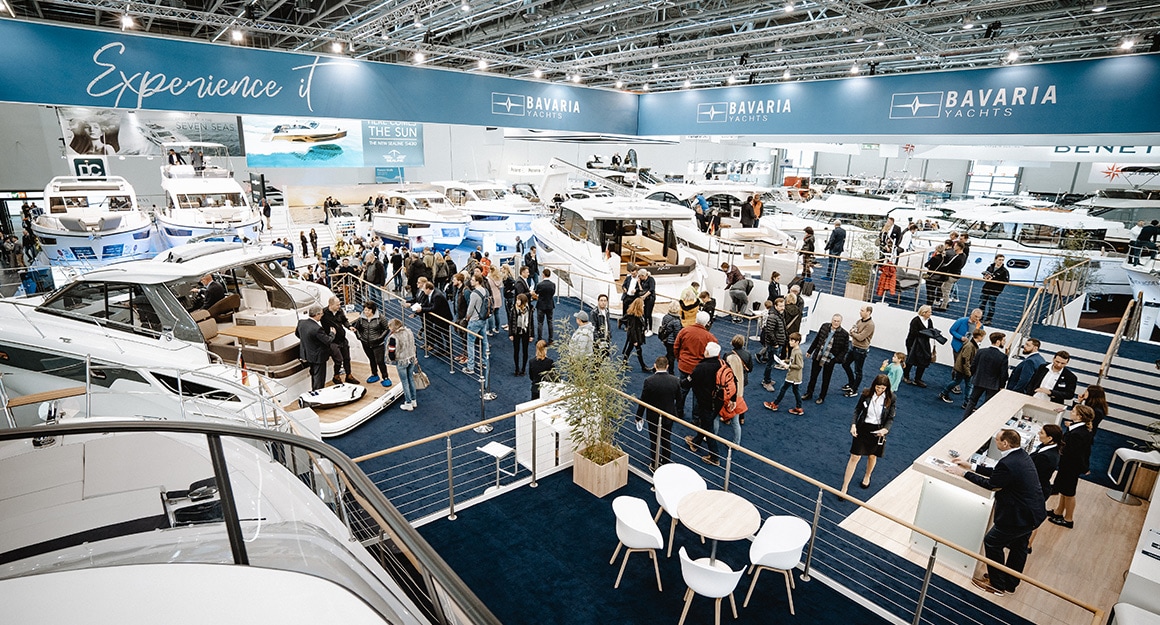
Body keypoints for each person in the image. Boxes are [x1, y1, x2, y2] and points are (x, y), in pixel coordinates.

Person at [946, 429, 1047, 596]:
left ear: (1005, 443)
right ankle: (1010, 583)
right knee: (1019, 548)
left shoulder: (1008, 462)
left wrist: (964, 473)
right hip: (1032, 514)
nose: (995, 441)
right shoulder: (1020, 455)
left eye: (997, 439)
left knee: (992, 542)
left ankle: (996, 584)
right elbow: (1000, 474)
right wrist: (971, 466)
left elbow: (992, 484)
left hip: (1018, 516)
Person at [840, 374, 896, 493]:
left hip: (878, 431)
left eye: (883, 388)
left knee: (872, 456)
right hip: (863, 427)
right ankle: (844, 487)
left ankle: (867, 475)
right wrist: (853, 424)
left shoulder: (891, 398)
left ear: (887, 387)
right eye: (878, 387)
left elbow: (890, 418)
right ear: (874, 385)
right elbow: (857, 410)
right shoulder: (866, 393)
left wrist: (885, 429)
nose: (879, 390)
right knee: (854, 456)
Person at [1048, 405, 1095, 529]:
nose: (1071, 412)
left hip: (1071, 466)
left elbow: (1076, 453)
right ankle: (1058, 512)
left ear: (1080, 416)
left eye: (1073, 411)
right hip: (1068, 465)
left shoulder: (1078, 434)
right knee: (1064, 490)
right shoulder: (1080, 429)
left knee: (1069, 493)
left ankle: (1068, 519)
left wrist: (1084, 468)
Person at [682, 342, 726, 467]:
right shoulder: (722, 364)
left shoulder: (701, 367)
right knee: (706, 422)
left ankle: (714, 456)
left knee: (708, 427)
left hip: (705, 401)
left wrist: (679, 382)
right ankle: (696, 442)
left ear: (707, 352)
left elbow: (688, 382)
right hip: (718, 401)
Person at [1026, 423, 1063, 555]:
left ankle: (1027, 545)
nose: (1039, 434)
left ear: (1050, 438)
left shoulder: (1046, 457)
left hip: (1038, 491)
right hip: (1040, 488)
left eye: (1042, 433)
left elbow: (1034, 474)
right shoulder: (1048, 449)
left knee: (1031, 519)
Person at [637, 356, 680, 470]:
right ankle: (665, 463)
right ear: (667, 366)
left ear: (655, 366)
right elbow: (679, 400)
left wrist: (638, 416)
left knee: (654, 440)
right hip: (668, 415)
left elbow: (643, 401)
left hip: (653, 416)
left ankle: (654, 463)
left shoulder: (649, 381)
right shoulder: (675, 380)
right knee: (666, 440)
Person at [673, 311, 717, 420]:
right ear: (707, 322)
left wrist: (680, 359)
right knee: (698, 395)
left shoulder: (684, 331)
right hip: (700, 370)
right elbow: (714, 357)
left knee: (682, 390)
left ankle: (678, 412)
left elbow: (676, 347)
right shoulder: (710, 338)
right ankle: (696, 418)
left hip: (684, 366)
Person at [801, 314, 849, 405]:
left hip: (830, 360)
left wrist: (836, 359)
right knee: (813, 377)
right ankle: (809, 393)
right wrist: (810, 351)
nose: (835, 323)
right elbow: (817, 339)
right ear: (831, 320)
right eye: (834, 320)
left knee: (826, 380)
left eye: (838, 321)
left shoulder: (844, 334)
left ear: (841, 322)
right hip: (818, 356)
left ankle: (822, 397)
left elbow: (845, 349)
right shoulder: (824, 326)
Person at [962, 332, 1009, 419]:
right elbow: (1003, 374)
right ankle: (981, 420)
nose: (1004, 342)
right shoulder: (1003, 357)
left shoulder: (981, 351)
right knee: (987, 405)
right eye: (1003, 340)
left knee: (972, 401)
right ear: (998, 342)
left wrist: (975, 376)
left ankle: (964, 419)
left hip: (978, 380)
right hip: (993, 385)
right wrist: (1002, 386)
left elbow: (973, 366)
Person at [764, 332, 805, 415]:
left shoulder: (797, 352)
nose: (789, 342)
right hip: (795, 376)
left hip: (793, 376)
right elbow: (793, 360)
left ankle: (775, 404)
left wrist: (788, 366)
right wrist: (785, 361)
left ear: (797, 342)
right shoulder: (794, 350)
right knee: (795, 391)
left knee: (783, 389)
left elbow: (800, 365)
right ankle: (799, 407)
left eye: (792, 341)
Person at [352, 302, 391, 386]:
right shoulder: (361, 319)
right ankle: (374, 374)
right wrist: (360, 337)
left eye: (368, 310)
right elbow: (356, 328)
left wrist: (380, 338)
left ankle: (385, 377)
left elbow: (386, 329)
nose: (366, 312)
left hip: (378, 344)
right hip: (366, 343)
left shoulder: (381, 318)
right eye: (365, 310)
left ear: (373, 310)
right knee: (371, 359)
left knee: (380, 361)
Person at [940, 327, 982, 406]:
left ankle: (944, 393)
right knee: (967, 385)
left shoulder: (971, 344)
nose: (983, 338)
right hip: (964, 369)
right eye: (982, 336)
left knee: (958, 382)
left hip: (963, 368)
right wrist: (968, 372)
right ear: (979, 336)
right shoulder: (970, 346)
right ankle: (967, 403)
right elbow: (965, 359)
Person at [841, 305, 875, 397]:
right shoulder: (859, 321)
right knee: (845, 364)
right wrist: (854, 333)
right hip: (853, 347)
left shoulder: (870, 325)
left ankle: (854, 390)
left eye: (862, 310)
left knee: (858, 371)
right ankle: (851, 383)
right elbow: (852, 331)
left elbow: (860, 337)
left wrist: (853, 333)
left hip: (861, 350)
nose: (860, 312)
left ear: (868, 312)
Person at [462, 275, 491, 386]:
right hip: (483, 319)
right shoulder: (485, 290)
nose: (471, 281)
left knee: (470, 343)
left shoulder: (474, 294)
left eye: (473, 280)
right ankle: (484, 362)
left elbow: (470, 309)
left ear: (478, 281)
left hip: (474, 320)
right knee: (484, 341)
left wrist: (467, 318)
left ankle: (470, 367)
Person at [295, 305, 332, 391]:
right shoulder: (317, 329)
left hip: (307, 355)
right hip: (318, 357)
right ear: (317, 314)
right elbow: (328, 340)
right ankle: (318, 394)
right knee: (319, 378)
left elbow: (297, 334)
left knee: (313, 374)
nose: (322, 316)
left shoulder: (301, 323)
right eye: (321, 314)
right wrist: (332, 333)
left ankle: (314, 391)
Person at [385, 318, 419, 410]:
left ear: (393, 327)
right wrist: (415, 357)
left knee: (404, 382)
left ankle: (408, 403)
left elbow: (391, 351)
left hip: (401, 361)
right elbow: (413, 345)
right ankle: (414, 400)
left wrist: (392, 359)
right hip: (411, 358)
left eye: (390, 326)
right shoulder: (409, 332)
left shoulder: (393, 337)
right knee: (411, 379)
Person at [322, 296, 357, 385]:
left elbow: (344, 320)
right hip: (333, 341)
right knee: (338, 360)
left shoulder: (340, 311)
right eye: (337, 305)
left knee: (347, 358)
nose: (339, 306)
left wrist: (349, 326)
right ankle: (336, 376)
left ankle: (349, 375)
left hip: (342, 339)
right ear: (331, 305)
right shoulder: (323, 313)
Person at [948, 309, 984, 394]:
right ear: (971, 314)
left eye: (979, 317)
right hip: (958, 346)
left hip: (970, 348)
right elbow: (952, 330)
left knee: (966, 365)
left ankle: (957, 382)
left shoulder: (980, 325)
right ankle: (955, 384)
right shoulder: (961, 321)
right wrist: (960, 337)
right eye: (975, 316)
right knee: (957, 365)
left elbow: (980, 336)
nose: (977, 319)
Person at [902, 306, 937, 388]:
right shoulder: (915, 320)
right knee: (910, 360)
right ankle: (906, 376)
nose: (931, 313)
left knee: (923, 360)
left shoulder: (929, 321)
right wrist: (926, 333)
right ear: (924, 312)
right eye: (929, 312)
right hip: (912, 343)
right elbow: (914, 332)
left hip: (924, 344)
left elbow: (930, 330)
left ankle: (918, 379)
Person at [759, 297, 788, 392]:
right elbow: (769, 332)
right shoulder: (773, 317)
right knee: (770, 364)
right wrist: (775, 344)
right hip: (774, 345)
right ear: (775, 306)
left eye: (783, 305)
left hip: (778, 343)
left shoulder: (779, 315)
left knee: (771, 363)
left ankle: (767, 379)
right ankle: (766, 382)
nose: (782, 308)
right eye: (780, 306)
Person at [619, 298, 652, 372]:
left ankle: (624, 363)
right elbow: (632, 329)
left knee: (629, 349)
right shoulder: (633, 316)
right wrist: (635, 340)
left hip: (636, 335)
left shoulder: (638, 314)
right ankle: (643, 366)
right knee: (638, 350)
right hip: (635, 336)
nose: (643, 305)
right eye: (642, 304)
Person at [509, 293, 535, 376]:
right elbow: (511, 322)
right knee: (516, 351)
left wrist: (532, 335)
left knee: (525, 351)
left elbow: (531, 322)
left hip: (525, 332)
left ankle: (523, 369)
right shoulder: (513, 309)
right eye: (517, 300)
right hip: (516, 331)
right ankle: (517, 368)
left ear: (523, 301)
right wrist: (510, 334)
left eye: (519, 300)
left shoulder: (529, 310)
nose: (517, 301)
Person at [936, 241, 967, 311]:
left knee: (945, 290)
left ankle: (943, 306)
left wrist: (940, 268)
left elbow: (948, 265)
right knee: (945, 288)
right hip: (956, 274)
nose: (953, 247)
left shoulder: (958, 257)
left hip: (952, 275)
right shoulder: (963, 255)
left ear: (959, 247)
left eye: (955, 245)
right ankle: (945, 303)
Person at [979, 255, 1010, 325]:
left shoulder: (1004, 271)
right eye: (999, 260)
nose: (1001, 261)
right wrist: (986, 278)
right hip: (986, 289)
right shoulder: (989, 268)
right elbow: (985, 277)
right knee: (981, 305)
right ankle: (980, 318)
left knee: (991, 306)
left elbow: (1005, 282)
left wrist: (994, 280)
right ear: (995, 260)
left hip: (994, 291)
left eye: (1002, 260)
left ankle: (988, 320)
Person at [534, 268, 556, 344]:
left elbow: (536, 292)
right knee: (550, 322)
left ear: (543, 274)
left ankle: (539, 339)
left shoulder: (539, 284)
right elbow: (553, 293)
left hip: (541, 305)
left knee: (540, 323)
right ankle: (551, 339)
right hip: (550, 305)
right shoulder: (553, 284)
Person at [658, 301, 682, 366]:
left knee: (669, 354)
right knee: (671, 356)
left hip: (665, 338)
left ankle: (660, 365)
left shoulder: (665, 316)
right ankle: (670, 370)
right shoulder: (677, 321)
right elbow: (677, 334)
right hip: (672, 341)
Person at [591, 293, 613, 357]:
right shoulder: (594, 312)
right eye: (601, 300)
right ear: (598, 301)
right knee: (597, 356)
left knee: (606, 354)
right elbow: (594, 327)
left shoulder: (607, 311)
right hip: (599, 339)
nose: (603, 302)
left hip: (606, 337)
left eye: (605, 301)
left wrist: (609, 335)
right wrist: (597, 340)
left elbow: (607, 323)